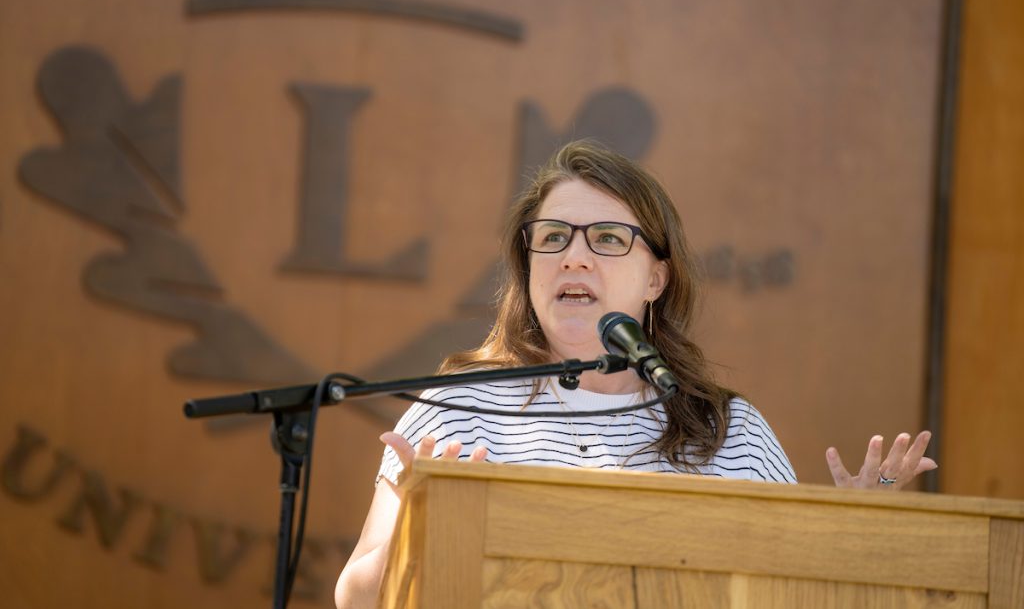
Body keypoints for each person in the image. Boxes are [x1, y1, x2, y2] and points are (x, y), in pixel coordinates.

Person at [333, 141, 937, 608]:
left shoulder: (728, 430)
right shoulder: (455, 410)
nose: (574, 255)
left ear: (656, 279)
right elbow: (356, 598)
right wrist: (419, 527)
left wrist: (853, 537)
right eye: (552, 237)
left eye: (607, 238)